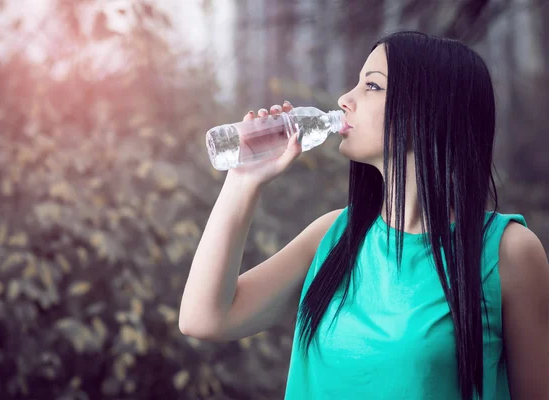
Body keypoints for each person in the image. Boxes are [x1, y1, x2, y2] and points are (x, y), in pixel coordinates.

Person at [179, 31, 549, 399]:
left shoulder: (507, 252)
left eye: (371, 86)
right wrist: (243, 182)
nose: (344, 99)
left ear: (429, 107)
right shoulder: (333, 236)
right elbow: (205, 319)